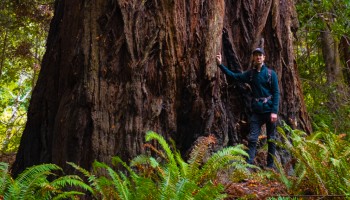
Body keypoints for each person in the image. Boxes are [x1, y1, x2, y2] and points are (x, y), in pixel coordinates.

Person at [216, 48, 279, 168]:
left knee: (271, 139)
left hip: (269, 111)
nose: (258, 57)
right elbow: (234, 76)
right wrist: (220, 65)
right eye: (256, 55)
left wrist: (274, 112)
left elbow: (276, 93)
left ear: (264, 57)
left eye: (260, 55)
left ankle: (270, 166)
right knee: (253, 138)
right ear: (253, 58)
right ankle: (249, 165)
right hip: (257, 112)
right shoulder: (251, 74)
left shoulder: (271, 74)